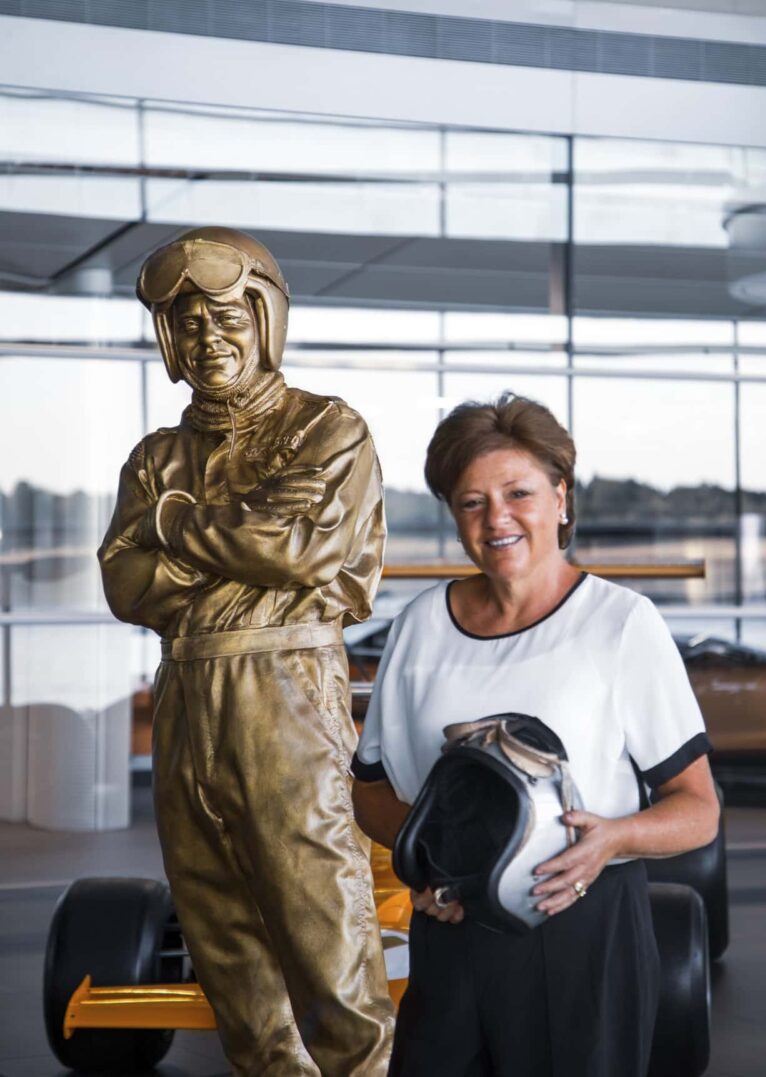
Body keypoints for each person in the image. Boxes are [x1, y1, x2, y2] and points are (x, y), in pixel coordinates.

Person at [98, 227, 394, 1077]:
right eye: (185, 324)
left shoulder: (328, 430)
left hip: (287, 700)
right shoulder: (156, 456)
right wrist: (241, 538)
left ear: (265, 318)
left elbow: (301, 551)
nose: (206, 340)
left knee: (332, 960)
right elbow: (126, 586)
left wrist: (172, 525)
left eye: (225, 316)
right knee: (234, 973)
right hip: (186, 708)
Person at [352, 392, 719, 1077]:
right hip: (452, 934)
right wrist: (421, 862)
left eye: (518, 492)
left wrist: (614, 835)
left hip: (580, 931)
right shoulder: (419, 626)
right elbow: (368, 791)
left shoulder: (620, 624)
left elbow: (698, 808)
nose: (498, 518)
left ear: (560, 497)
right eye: (471, 501)